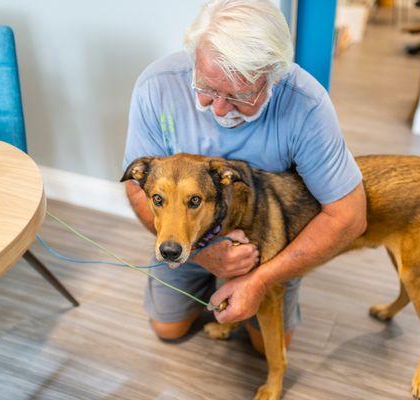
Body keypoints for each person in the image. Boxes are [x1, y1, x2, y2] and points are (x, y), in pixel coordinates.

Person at [123, 0, 367, 353]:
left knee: (265, 347)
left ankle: (234, 284)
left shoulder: (307, 105)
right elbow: (136, 188)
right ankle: (210, 280)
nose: (219, 109)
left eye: (240, 95)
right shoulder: (157, 86)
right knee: (168, 329)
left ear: (275, 75)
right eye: (207, 88)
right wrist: (202, 254)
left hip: (265, 242)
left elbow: (349, 216)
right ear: (194, 59)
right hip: (186, 239)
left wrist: (259, 280)